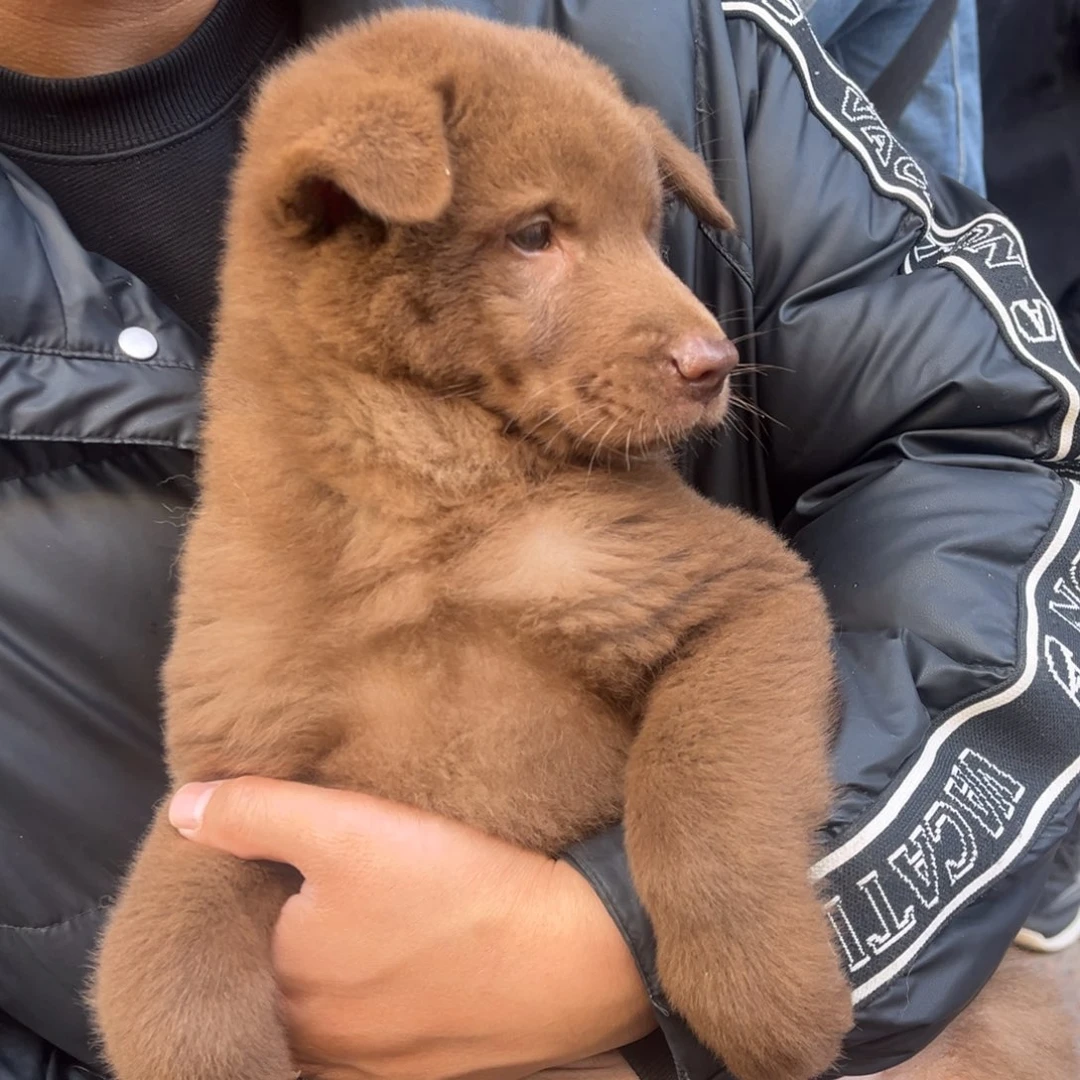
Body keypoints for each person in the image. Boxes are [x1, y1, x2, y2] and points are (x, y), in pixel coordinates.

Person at [1, 1, 1077, 1079]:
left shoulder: (650, 34)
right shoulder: (264, 584)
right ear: (334, 205)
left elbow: (994, 454)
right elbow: (213, 851)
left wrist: (630, 937)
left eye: (650, 231)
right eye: (534, 236)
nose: (705, 348)